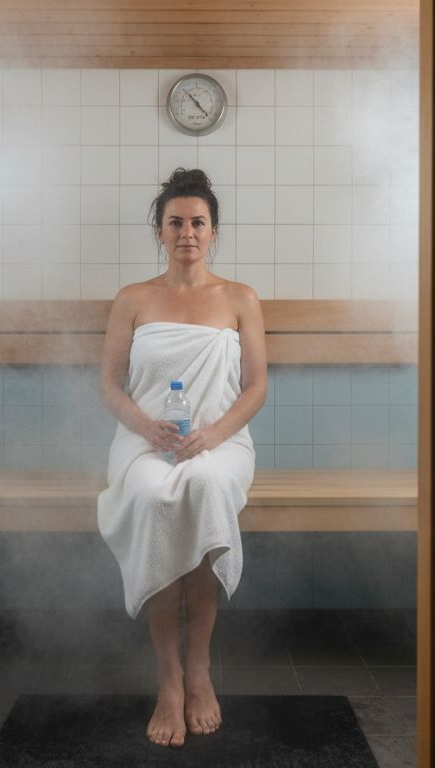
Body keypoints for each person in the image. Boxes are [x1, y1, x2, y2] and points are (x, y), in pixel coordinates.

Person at [96, 168, 267, 748]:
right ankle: (169, 676)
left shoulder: (241, 298)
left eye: (198, 222)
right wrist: (144, 426)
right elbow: (110, 386)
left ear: (213, 231)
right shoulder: (133, 299)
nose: (187, 232)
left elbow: (256, 388)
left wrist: (214, 435)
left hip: (221, 440)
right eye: (176, 222)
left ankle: (200, 667)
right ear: (161, 231)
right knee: (152, 495)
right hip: (145, 441)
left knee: (204, 488)